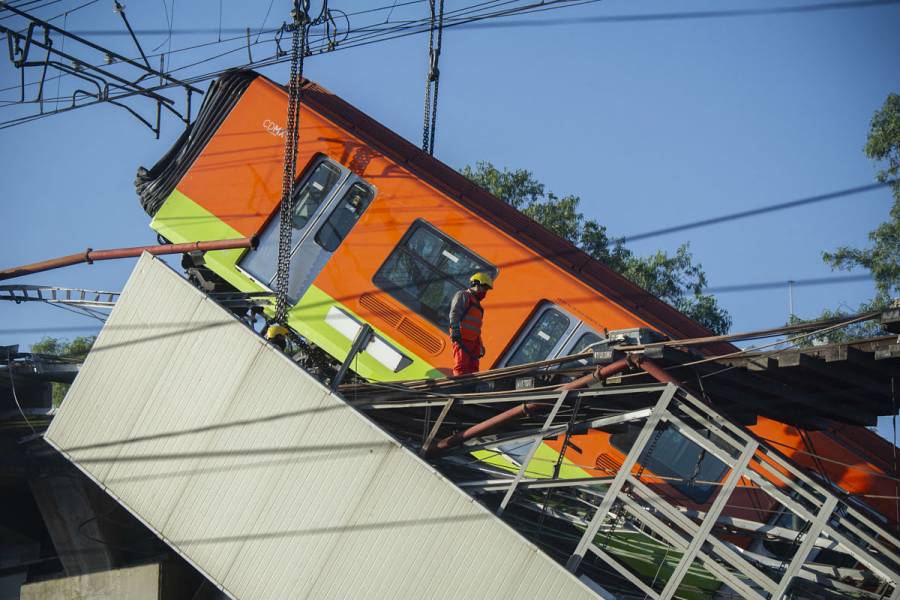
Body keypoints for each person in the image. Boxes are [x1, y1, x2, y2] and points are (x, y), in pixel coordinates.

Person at [448, 272, 493, 376]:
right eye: (484, 288)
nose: (485, 292)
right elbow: (454, 313)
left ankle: (469, 389)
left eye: (486, 290)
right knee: (461, 367)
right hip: (462, 339)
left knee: (473, 370)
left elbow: (477, 329)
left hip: (474, 343)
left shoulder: (479, 306)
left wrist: (480, 345)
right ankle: (459, 388)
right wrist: (455, 330)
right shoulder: (463, 295)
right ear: (476, 284)